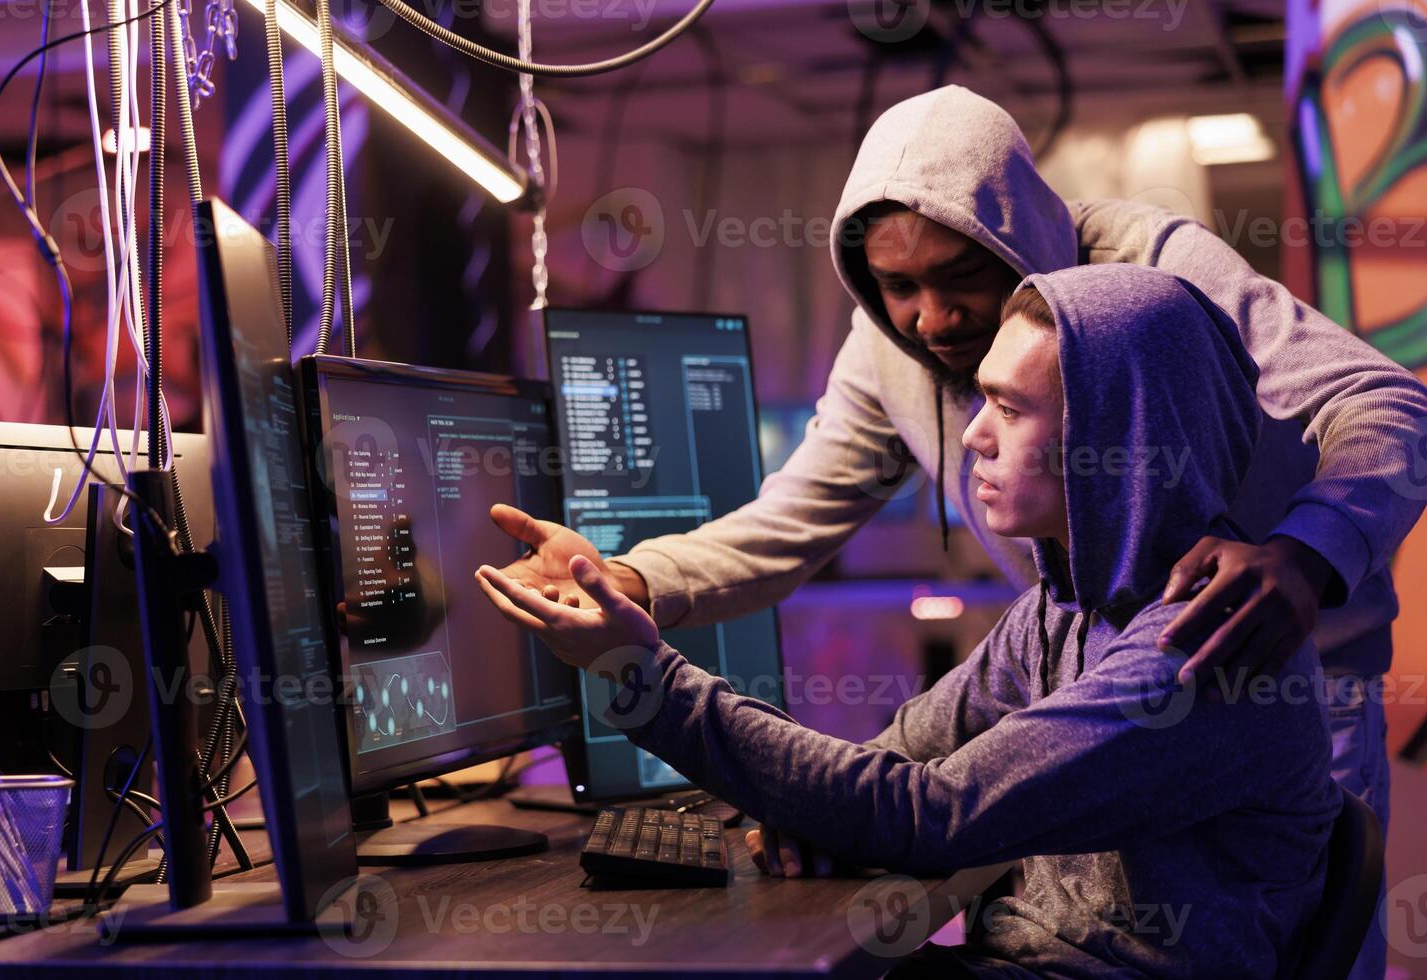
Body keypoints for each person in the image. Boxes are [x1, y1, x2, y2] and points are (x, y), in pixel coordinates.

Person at [477, 264, 1343, 977]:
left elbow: (932, 814)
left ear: (1118, 438)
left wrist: (646, 678)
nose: (972, 437)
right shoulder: (1062, 609)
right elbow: (904, 754)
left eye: (1009, 407)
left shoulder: (1202, 646)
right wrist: (818, 812)